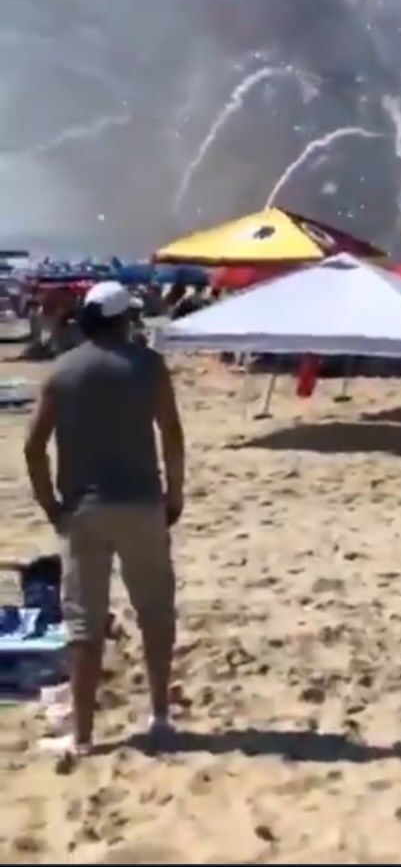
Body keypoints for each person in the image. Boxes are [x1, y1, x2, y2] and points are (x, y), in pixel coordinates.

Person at [23, 280, 186, 766]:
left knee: (83, 625)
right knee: (155, 612)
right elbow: (171, 434)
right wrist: (174, 495)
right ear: (122, 320)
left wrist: (50, 504)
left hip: (84, 510)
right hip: (140, 503)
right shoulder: (148, 366)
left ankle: (84, 735)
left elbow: (33, 446)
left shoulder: (63, 370)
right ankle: (159, 717)